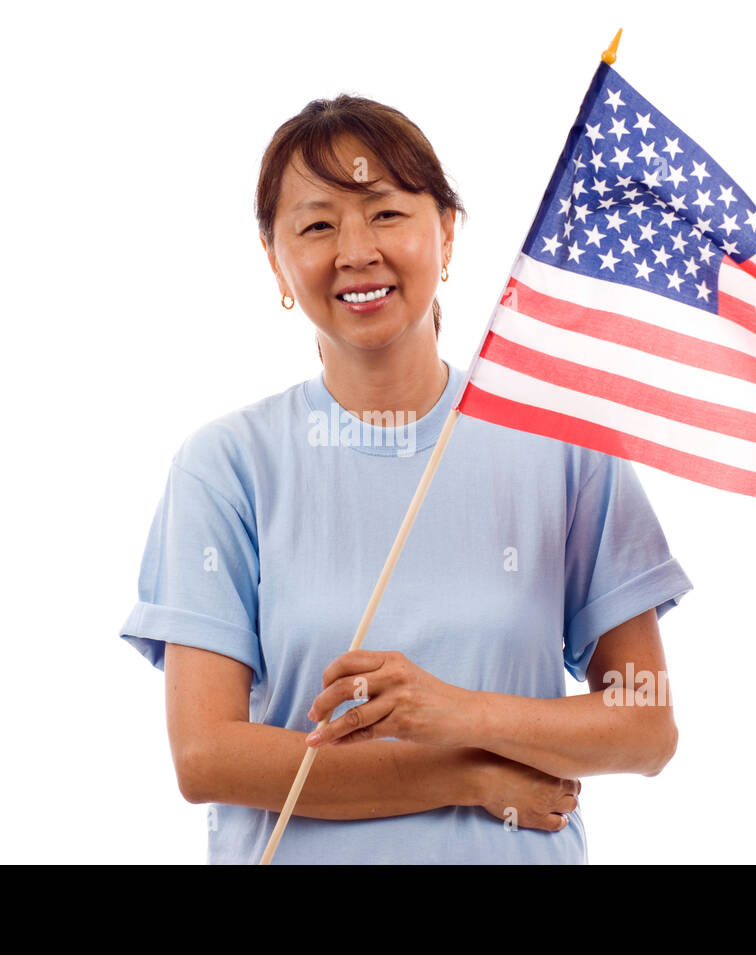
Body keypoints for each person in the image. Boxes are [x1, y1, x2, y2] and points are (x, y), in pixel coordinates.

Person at [118, 93, 694, 864]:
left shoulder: (563, 445)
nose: (356, 251)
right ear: (275, 258)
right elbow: (207, 757)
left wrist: (456, 711)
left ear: (446, 232)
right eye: (318, 224)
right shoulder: (225, 466)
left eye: (386, 213)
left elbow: (645, 726)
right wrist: (462, 775)